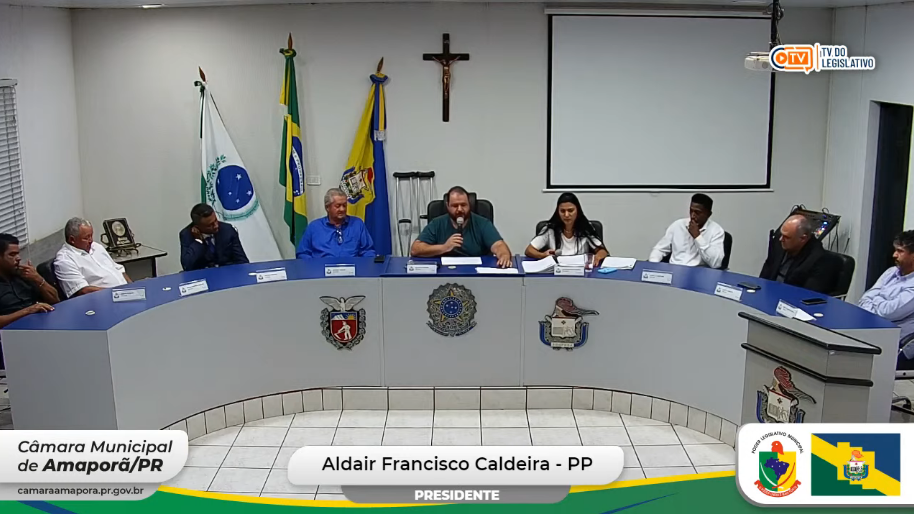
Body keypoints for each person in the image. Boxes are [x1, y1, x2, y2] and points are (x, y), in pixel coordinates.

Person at [411, 186, 513, 268]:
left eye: (463, 205)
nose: (460, 209)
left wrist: (504, 255)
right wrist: (444, 247)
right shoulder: (437, 223)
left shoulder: (482, 223)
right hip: (444, 273)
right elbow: (415, 249)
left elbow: (498, 245)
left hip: (475, 273)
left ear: (469, 204)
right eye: (455, 206)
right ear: (447, 206)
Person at [857, 230, 914, 369]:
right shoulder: (891, 272)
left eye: (900, 251)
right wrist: (879, 303)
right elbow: (863, 300)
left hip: (894, 341)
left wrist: (876, 299)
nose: (894, 255)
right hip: (870, 330)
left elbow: (888, 313)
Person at [759, 214, 840, 294]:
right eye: (781, 234)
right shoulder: (779, 243)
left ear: (803, 238)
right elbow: (766, 272)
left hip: (790, 298)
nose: (781, 239)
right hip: (769, 294)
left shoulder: (820, 259)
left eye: (787, 237)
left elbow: (809, 295)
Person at [54, 217, 131, 298]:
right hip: (105, 298)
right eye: (86, 238)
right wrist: (118, 294)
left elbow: (119, 270)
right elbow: (83, 291)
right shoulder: (64, 260)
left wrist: (133, 287)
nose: (91, 240)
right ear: (72, 239)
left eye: (91, 235)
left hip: (125, 293)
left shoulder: (96, 247)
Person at [525, 192, 609, 265]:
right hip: (557, 272)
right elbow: (529, 250)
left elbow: (602, 251)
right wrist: (543, 255)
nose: (566, 215)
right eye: (562, 211)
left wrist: (597, 257)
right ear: (557, 212)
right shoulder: (550, 229)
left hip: (581, 272)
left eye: (570, 210)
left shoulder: (585, 229)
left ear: (577, 211)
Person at [649, 193, 725, 268]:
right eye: (691, 211)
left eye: (697, 212)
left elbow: (716, 263)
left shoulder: (716, 231)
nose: (692, 216)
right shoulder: (677, 225)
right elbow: (659, 249)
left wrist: (698, 237)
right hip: (675, 270)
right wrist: (653, 266)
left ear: (708, 214)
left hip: (698, 272)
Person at [0, 233, 59, 329]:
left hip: (41, 323)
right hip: (13, 331)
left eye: (18, 253)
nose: (18, 258)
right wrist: (28, 311)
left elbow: (55, 300)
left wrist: (38, 279)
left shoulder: (24, 276)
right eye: (12, 254)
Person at [296, 188, 376, 259]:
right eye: (338, 206)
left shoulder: (357, 224)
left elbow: (368, 251)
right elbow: (303, 253)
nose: (342, 209)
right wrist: (315, 266)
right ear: (327, 207)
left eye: (344, 205)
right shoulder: (314, 227)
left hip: (353, 269)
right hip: (321, 269)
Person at [179, 204, 249, 271]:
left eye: (216, 220)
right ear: (197, 227)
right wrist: (198, 241)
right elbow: (187, 266)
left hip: (227, 274)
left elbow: (242, 261)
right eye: (210, 225)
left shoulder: (227, 230)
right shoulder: (186, 235)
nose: (216, 226)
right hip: (203, 275)